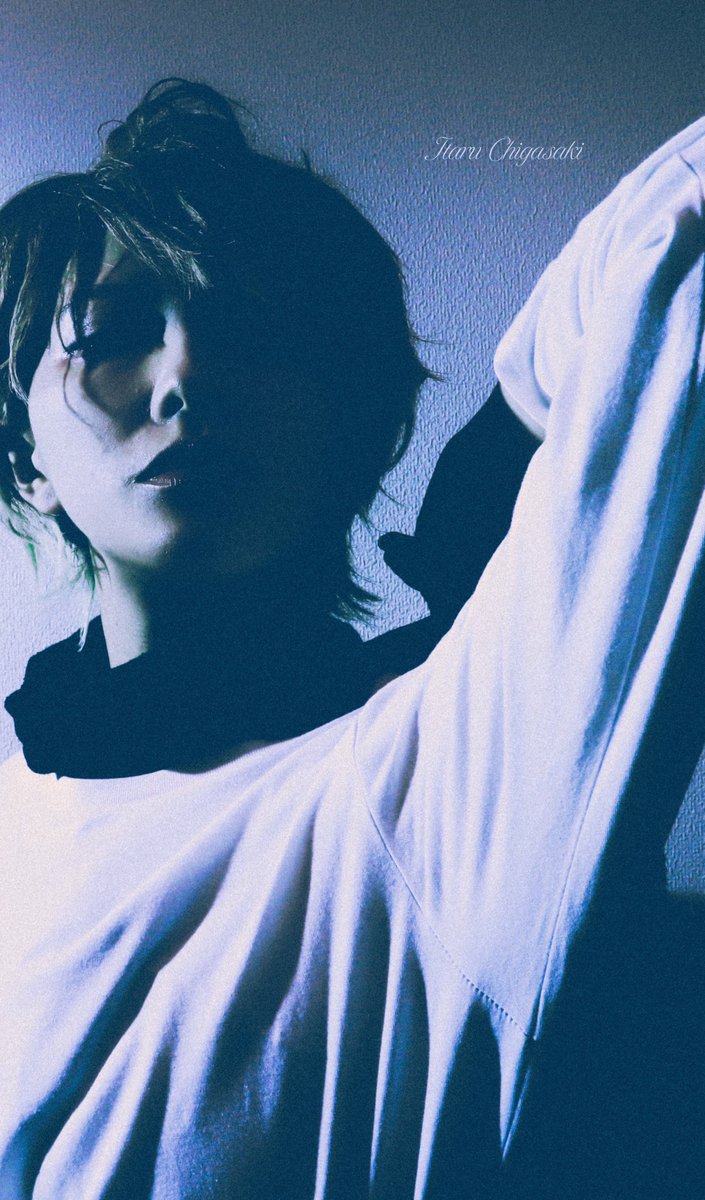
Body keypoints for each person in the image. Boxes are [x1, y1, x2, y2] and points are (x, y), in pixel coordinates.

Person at [1, 79, 704, 1198]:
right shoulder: (20, 806)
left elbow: (678, 226)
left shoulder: (443, 779)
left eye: (253, 329)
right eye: (113, 334)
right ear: (24, 460)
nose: (184, 377)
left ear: (361, 425)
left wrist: (502, 445)